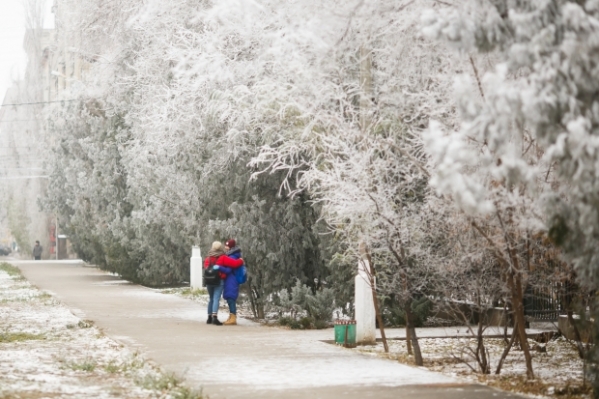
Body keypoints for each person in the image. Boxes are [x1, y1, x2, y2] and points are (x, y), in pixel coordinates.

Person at [203, 241, 243, 326]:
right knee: (216, 298)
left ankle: (209, 318)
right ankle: (214, 317)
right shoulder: (223, 257)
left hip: (209, 281)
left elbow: (206, 268)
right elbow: (234, 264)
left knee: (211, 298)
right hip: (219, 280)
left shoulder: (208, 258)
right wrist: (240, 261)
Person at [219, 239, 244, 326]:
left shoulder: (232, 257)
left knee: (231, 297)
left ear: (230, 247)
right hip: (231, 279)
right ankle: (231, 316)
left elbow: (229, 269)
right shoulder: (232, 255)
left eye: (227, 246)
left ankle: (233, 318)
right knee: (230, 297)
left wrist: (219, 267)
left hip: (231, 279)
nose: (225, 247)